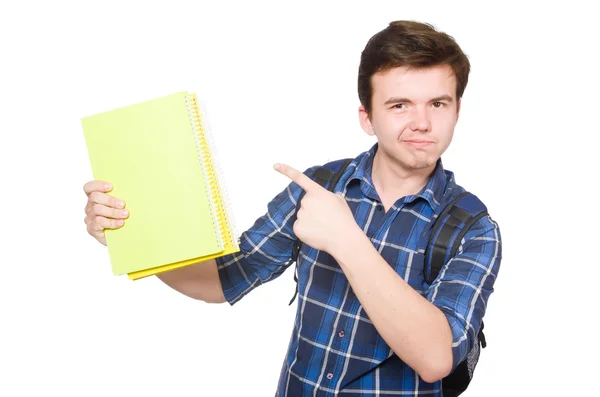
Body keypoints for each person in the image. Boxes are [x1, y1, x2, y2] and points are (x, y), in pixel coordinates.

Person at [83, 20, 502, 396]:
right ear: (367, 118)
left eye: (438, 104)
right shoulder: (318, 188)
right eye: (399, 105)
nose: (422, 122)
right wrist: (133, 238)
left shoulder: (473, 228)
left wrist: (346, 240)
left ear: (457, 110)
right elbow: (222, 279)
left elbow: (435, 360)